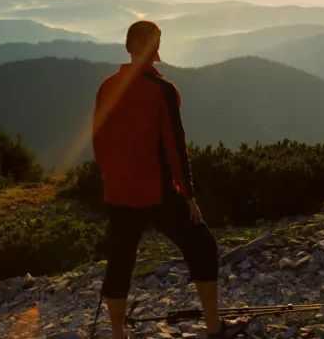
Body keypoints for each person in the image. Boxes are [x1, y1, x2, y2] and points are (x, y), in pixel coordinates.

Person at [92, 20, 231, 338]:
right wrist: (188, 194)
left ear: (128, 47)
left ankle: (118, 334)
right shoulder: (163, 91)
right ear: (156, 49)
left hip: (119, 191)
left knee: (120, 260)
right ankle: (214, 327)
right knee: (202, 246)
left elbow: (99, 141)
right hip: (157, 190)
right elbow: (175, 143)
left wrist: (111, 178)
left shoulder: (107, 87)